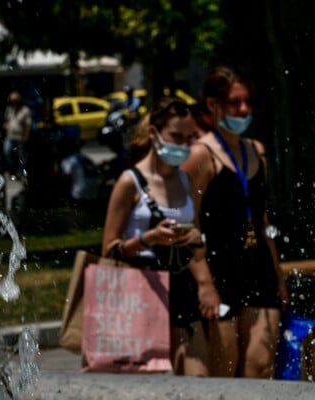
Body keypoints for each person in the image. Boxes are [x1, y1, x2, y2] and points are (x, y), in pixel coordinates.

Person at [181, 66, 289, 379]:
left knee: (260, 364)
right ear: (213, 105)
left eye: (246, 102)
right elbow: (188, 225)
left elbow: (262, 217)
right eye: (234, 103)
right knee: (225, 366)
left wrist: (278, 275)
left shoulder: (257, 151)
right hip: (219, 270)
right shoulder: (201, 156)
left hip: (258, 268)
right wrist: (204, 285)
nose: (243, 110)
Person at [101, 97, 214, 376]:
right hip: (142, 290)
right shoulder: (130, 182)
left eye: (190, 138)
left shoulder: (186, 180)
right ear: (154, 133)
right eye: (176, 136)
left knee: (199, 379)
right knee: (150, 387)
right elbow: (109, 251)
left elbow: (198, 246)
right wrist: (149, 238)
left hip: (182, 286)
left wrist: (197, 241)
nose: (183, 146)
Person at [2, 91, 32, 180]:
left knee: (21, 156)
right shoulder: (9, 109)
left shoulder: (25, 110)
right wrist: (6, 125)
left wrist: (26, 137)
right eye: (12, 101)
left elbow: (27, 125)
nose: (13, 102)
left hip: (20, 137)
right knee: (7, 152)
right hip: (10, 136)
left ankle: (22, 172)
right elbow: (6, 120)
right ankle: (12, 169)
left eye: (15, 100)